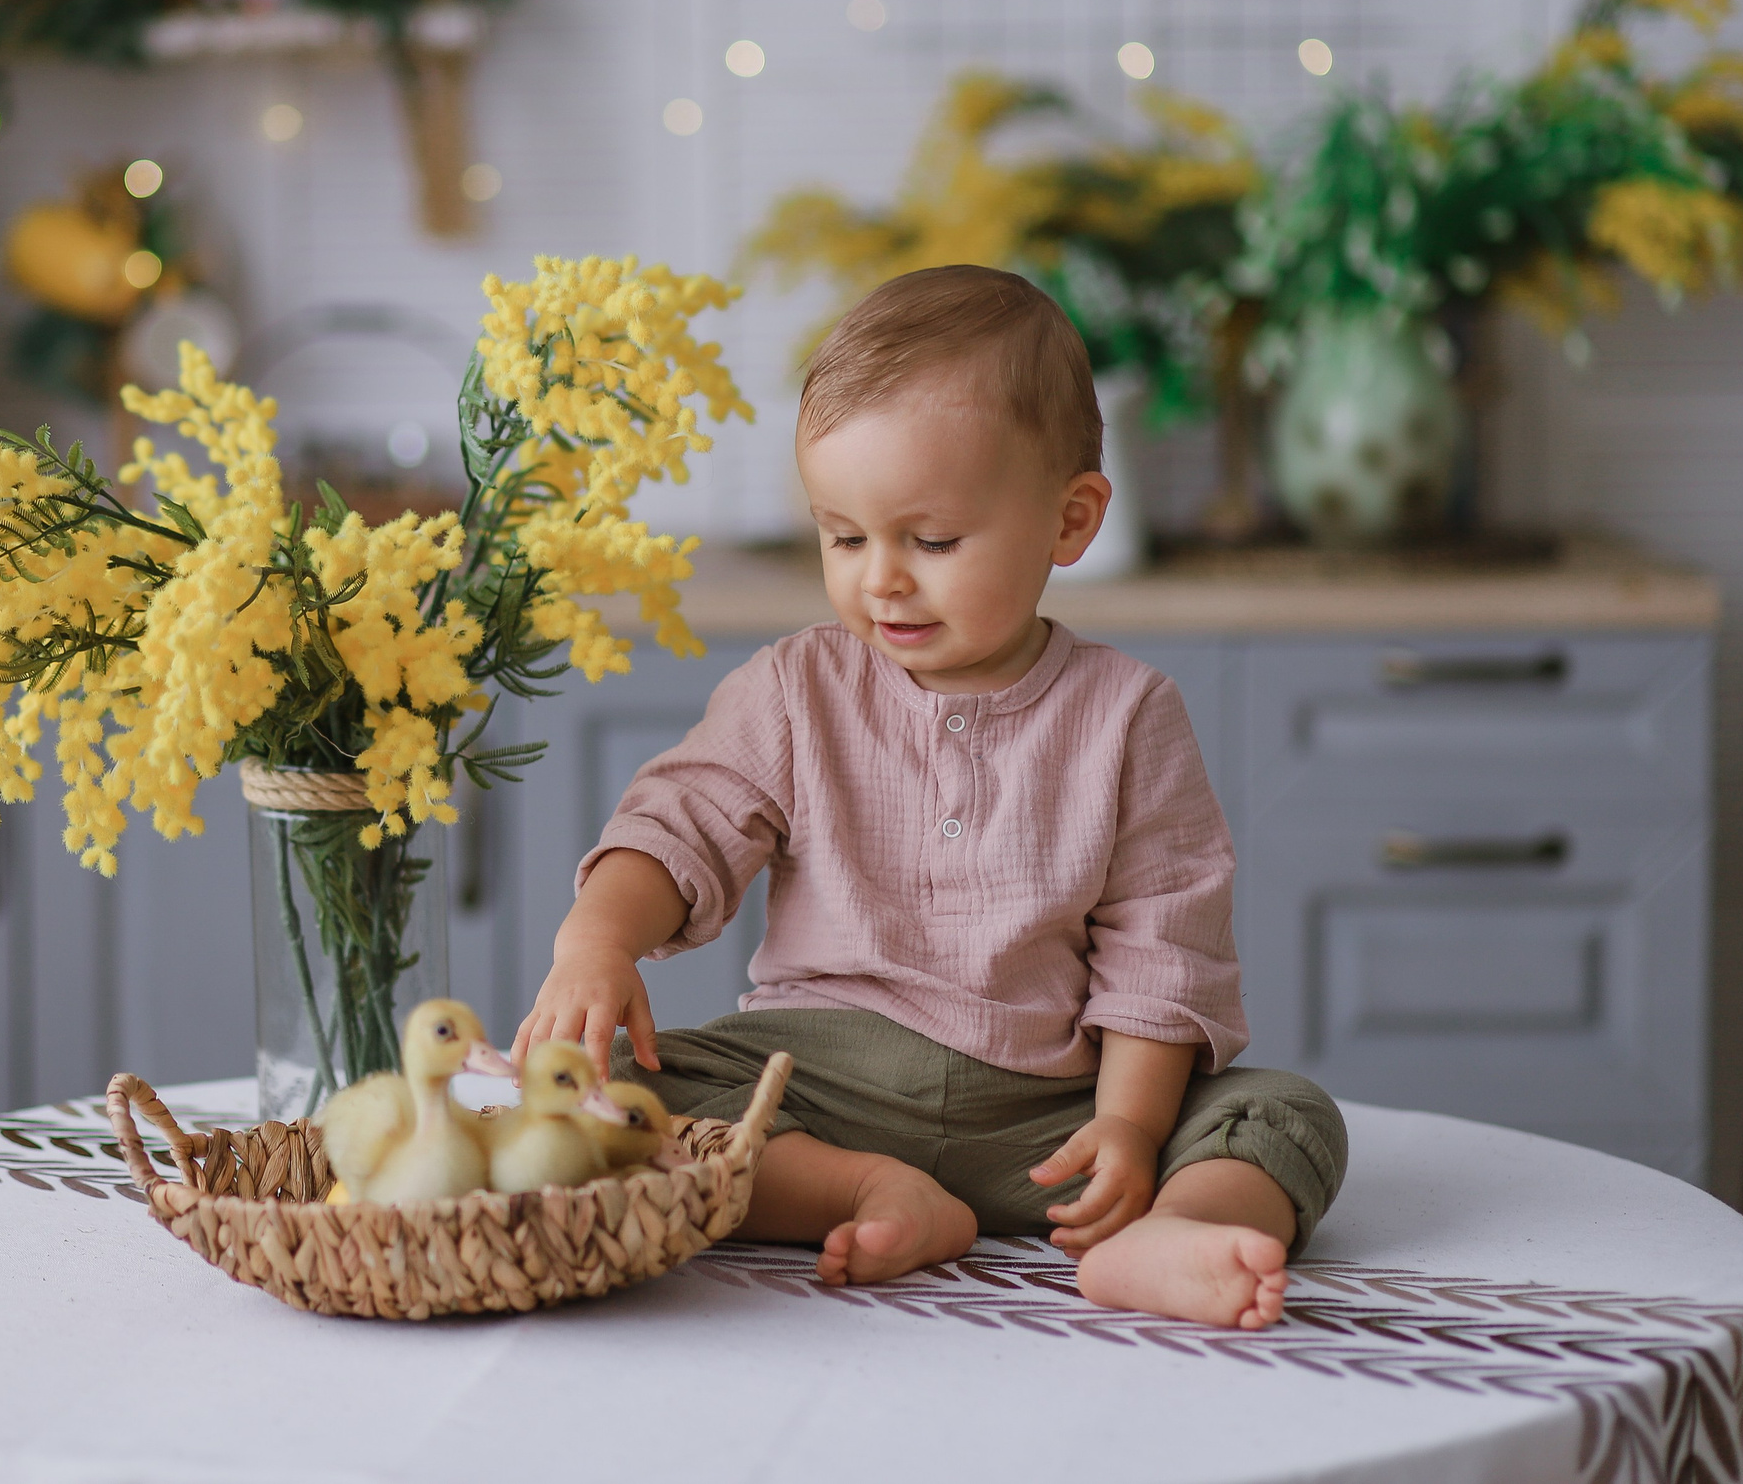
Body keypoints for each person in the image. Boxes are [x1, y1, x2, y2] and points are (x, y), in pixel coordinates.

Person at [513, 264, 1346, 1330]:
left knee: (1281, 1115)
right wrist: (597, 939)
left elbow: (1161, 946)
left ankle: (1165, 1230)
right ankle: (861, 1190)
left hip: (1047, 1116)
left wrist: (1130, 1133)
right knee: (611, 1104)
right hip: (811, 1081)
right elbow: (682, 822)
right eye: (844, 537)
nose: (881, 580)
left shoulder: (1128, 714)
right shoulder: (794, 688)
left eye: (932, 541)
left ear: (1070, 520)